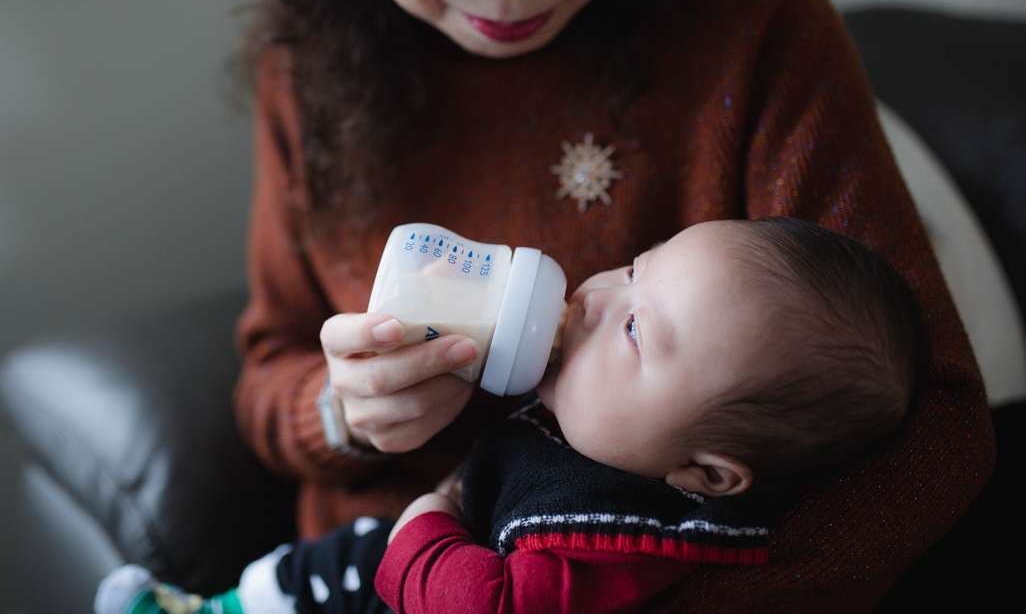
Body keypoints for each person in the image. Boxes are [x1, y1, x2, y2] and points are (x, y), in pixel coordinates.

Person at [224, 0, 993, 610]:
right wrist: (342, 410)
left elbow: (932, 435)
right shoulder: (306, 76)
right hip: (352, 571)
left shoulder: (752, 22)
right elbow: (266, 375)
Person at [95, 217, 930, 614]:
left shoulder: (620, 538)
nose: (599, 292)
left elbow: (486, 607)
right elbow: (267, 369)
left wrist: (430, 518)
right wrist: (347, 402)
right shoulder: (611, 427)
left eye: (636, 326)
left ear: (705, 475)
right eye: (637, 265)